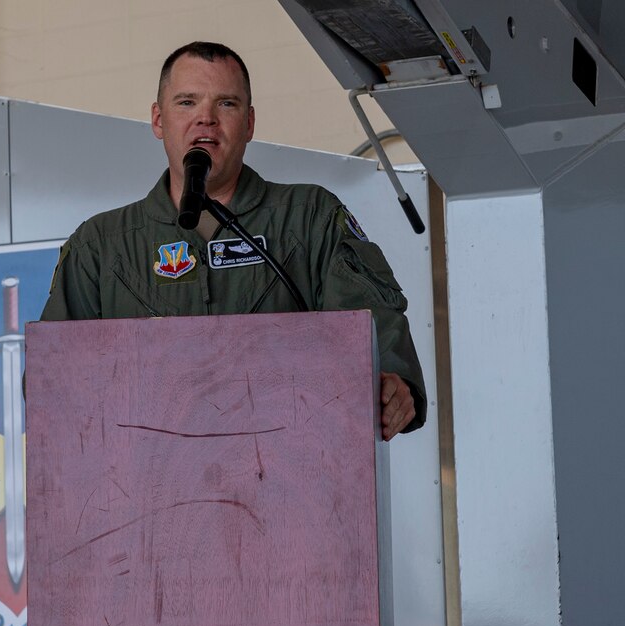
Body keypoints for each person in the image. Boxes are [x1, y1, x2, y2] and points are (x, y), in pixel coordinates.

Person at [40, 41, 425, 440]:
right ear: (158, 120)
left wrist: (394, 383)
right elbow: (49, 383)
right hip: (143, 486)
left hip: (291, 478)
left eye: (226, 104)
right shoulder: (100, 247)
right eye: (186, 102)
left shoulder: (310, 217)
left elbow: (372, 321)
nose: (205, 119)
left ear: (250, 123)